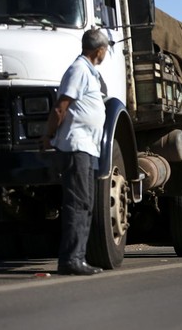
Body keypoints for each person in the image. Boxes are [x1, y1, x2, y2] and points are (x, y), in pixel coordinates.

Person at [41, 28, 109, 276]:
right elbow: (61, 108)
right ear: (99, 50)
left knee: (85, 203)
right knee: (78, 203)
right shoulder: (79, 70)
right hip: (75, 146)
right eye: (105, 49)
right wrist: (49, 136)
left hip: (87, 147)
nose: (106, 53)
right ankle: (71, 259)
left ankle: (77, 256)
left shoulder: (90, 72)